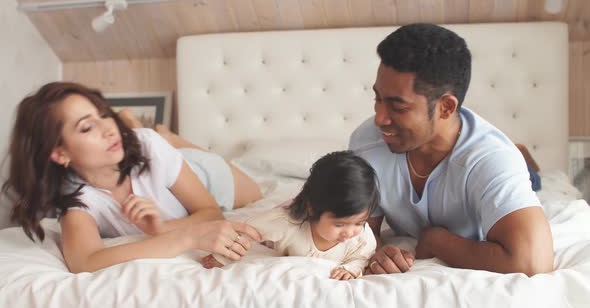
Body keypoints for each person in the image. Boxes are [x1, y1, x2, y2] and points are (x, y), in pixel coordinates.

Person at [349, 23, 553, 276]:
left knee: (530, 179)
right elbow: (360, 231)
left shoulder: (492, 159)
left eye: (398, 107)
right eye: (378, 98)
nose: (380, 118)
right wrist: (376, 250)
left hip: (493, 164)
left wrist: (437, 240)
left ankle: (523, 157)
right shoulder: (366, 143)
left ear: (446, 107)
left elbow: (532, 263)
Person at [1, 82, 263, 273]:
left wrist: (163, 229)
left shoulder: (148, 146)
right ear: (59, 153)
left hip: (202, 173)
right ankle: (162, 138)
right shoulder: (74, 197)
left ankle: (171, 139)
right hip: (145, 155)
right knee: (145, 142)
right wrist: (177, 235)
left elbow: (211, 213)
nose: (108, 128)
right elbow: (85, 261)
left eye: (104, 114)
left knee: (256, 191)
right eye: (87, 126)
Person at [202, 151, 378, 280]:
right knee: (267, 230)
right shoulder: (285, 222)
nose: (349, 232)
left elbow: (362, 257)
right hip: (284, 224)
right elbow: (246, 232)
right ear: (312, 209)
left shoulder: (361, 237)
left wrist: (351, 268)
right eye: (339, 225)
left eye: (359, 223)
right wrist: (220, 257)